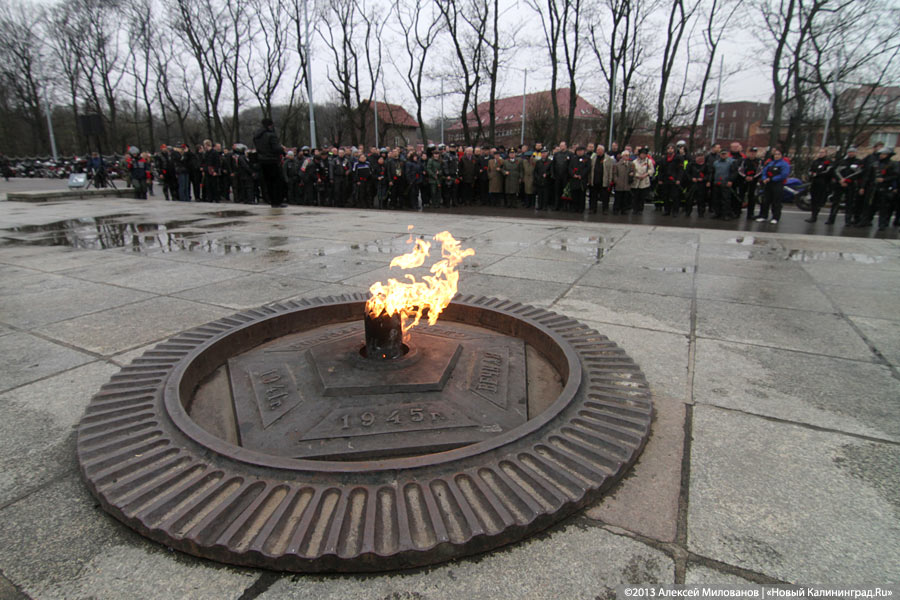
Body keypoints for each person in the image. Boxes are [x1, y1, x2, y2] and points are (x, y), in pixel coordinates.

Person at [826, 147, 864, 225]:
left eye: (852, 152)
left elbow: (859, 174)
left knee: (849, 203)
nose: (851, 153)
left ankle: (848, 220)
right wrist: (840, 180)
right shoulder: (842, 161)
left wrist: (848, 181)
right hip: (839, 184)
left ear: (855, 153)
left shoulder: (858, 162)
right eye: (849, 152)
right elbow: (835, 171)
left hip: (851, 185)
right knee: (835, 202)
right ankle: (831, 219)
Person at [253, 117, 286, 207]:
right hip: (272, 160)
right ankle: (277, 201)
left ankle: (272, 201)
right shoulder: (271, 135)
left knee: (268, 182)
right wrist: (282, 148)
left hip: (262, 160)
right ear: (270, 125)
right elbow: (276, 148)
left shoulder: (257, 136)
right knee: (277, 182)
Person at [757, 148, 790, 225]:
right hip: (768, 184)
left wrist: (772, 179)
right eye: (775, 154)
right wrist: (764, 178)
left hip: (777, 184)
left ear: (781, 155)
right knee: (765, 200)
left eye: (778, 154)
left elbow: (784, 175)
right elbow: (764, 172)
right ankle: (763, 216)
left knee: (776, 201)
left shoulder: (784, 164)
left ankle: (775, 217)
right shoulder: (770, 163)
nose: (776, 156)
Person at [805, 148, 834, 223]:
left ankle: (816, 215)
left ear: (826, 153)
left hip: (823, 183)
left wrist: (818, 174)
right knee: (813, 200)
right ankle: (813, 216)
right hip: (814, 183)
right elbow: (810, 170)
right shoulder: (815, 161)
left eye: (822, 152)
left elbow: (828, 171)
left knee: (819, 201)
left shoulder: (828, 162)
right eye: (820, 152)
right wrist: (810, 174)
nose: (821, 154)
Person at [872, 147, 898, 230]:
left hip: (885, 187)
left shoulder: (892, 164)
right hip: (874, 187)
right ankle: (866, 220)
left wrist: (884, 179)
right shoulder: (876, 163)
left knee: (884, 207)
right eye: (881, 154)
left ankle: (882, 224)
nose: (881, 155)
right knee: (871, 205)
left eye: (884, 154)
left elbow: (895, 176)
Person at [657, 144, 684, 215]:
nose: (670, 150)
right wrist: (660, 179)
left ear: (674, 150)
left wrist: (679, 179)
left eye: (671, 148)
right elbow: (660, 170)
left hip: (674, 179)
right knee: (665, 196)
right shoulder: (663, 159)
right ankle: (667, 210)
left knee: (675, 196)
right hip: (665, 179)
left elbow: (680, 170)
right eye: (668, 149)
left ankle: (675, 211)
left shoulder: (678, 158)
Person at [588, 145, 615, 214]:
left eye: (600, 150)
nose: (598, 151)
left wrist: (610, 180)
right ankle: (592, 208)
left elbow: (610, 170)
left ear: (603, 151)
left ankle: (605, 209)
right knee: (593, 196)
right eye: (597, 150)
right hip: (594, 180)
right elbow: (590, 169)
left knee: (605, 197)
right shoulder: (593, 158)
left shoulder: (608, 159)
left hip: (604, 181)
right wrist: (589, 180)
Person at [739, 147, 762, 219]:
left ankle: (750, 214)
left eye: (754, 152)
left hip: (754, 181)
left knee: (752, 198)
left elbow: (760, 171)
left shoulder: (759, 161)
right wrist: (745, 176)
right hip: (744, 180)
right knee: (741, 196)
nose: (752, 153)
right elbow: (740, 169)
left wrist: (753, 177)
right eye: (751, 152)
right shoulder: (744, 160)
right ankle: (737, 211)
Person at [686, 152, 711, 217]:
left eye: (702, 158)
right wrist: (691, 178)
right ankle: (688, 212)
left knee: (701, 199)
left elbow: (709, 174)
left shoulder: (706, 165)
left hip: (702, 184)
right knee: (690, 199)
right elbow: (687, 173)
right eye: (699, 158)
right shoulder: (691, 164)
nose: (701, 160)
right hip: (692, 184)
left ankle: (701, 213)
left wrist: (703, 179)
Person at [631, 148, 653, 214]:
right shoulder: (634, 162)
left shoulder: (648, 162)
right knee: (635, 196)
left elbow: (651, 170)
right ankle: (635, 209)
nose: (643, 155)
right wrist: (637, 175)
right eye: (642, 154)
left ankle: (640, 209)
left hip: (644, 181)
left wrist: (646, 174)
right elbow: (632, 171)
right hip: (636, 181)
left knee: (642, 197)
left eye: (644, 154)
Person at [568, 146, 589, 212]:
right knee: (574, 194)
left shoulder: (587, 159)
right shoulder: (573, 158)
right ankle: (574, 207)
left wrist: (581, 175)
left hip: (582, 180)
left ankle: (581, 208)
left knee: (581, 195)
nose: (579, 152)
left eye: (581, 151)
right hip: (574, 179)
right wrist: (573, 174)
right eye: (578, 151)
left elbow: (587, 168)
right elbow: (570, 167)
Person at [551, 142, 571, 210]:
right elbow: (553, 165)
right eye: (560, 146)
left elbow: (571, 165)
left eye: (563, 145)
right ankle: (556, 205)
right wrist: (553, 174)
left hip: (566, 176)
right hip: (557, 176)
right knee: (557, 191)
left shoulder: (570, 154)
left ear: (566, 146)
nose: (561, 147)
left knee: (565, 192)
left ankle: (564, 206)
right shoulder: (556, 154)